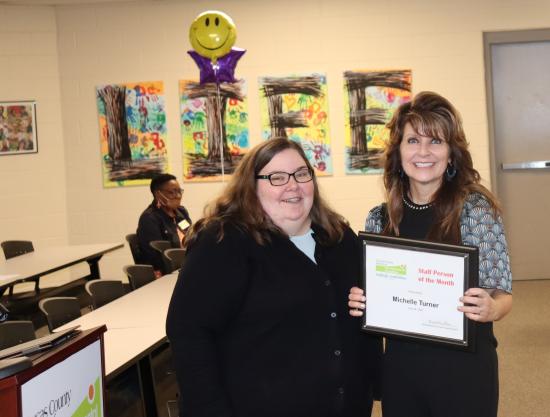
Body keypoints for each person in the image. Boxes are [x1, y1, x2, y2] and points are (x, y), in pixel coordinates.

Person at [166, 138, 382, 417]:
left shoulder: (339, 238)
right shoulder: (223, 243)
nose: (292, 185)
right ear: (251, 186)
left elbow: (364, 313)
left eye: (301, 174)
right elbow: (189, 333)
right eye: (276, 177)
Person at [348, 91, 513, 417]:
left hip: (464, 368)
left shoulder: (475, 212)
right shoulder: (380, 218)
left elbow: (504, 296)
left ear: (451, 153)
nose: (423, 152)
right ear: (398, 152)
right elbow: (374, 297)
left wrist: (492, 307)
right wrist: (361, 300)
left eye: (435, 141)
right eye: (412, 141)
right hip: (402, 368)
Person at [136, 173, 191, 275]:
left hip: (186, 265)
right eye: (172, 192)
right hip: (168, 271)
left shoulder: (181, 212)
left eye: (179, 191)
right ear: (158, 194)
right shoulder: (149, 218)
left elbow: (192, 238)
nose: (178, 196)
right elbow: (155, 256)